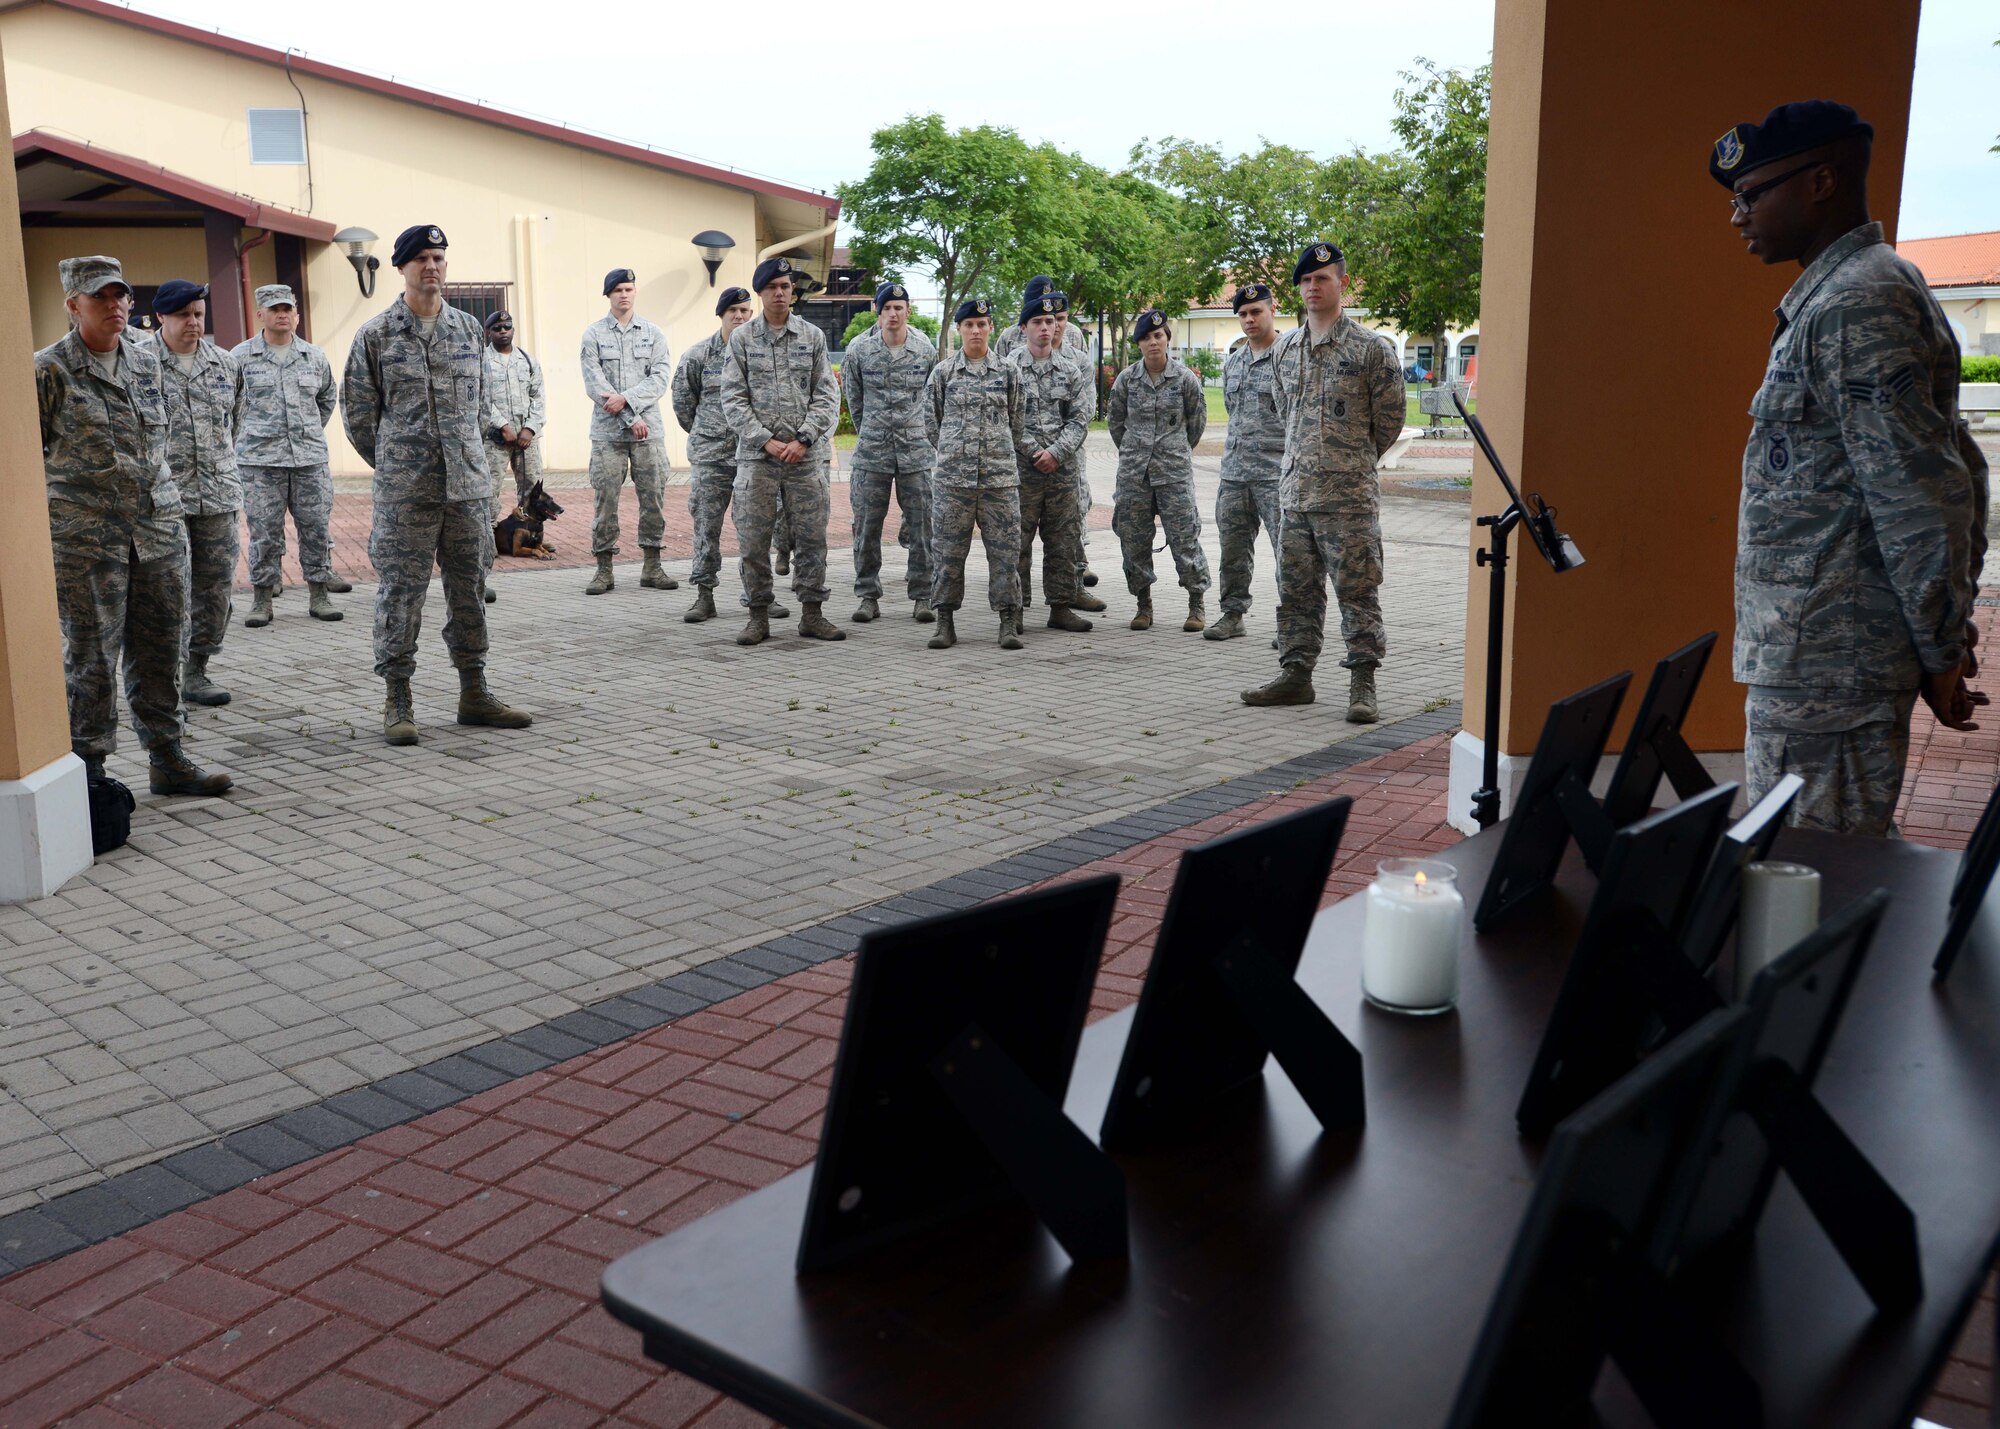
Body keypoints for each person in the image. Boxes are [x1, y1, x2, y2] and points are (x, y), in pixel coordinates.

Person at [1715, 100, 1987, 834]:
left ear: (1821, 181)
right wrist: (1945, 631)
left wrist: (1940, 646)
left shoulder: (1857, 302)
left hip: (1832, 668)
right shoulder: (1848, 293)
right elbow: (1960, 462)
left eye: (1751, 195)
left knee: (1808, 886)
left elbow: (1919, 493)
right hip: (1820, 661)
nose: (1738, 215)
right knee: (1818, 874)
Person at [35, 256, 231, 795]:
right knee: (92, 657)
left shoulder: (149, 363)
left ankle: (167, 757)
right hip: (87, 541)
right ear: (73, 304)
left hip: (158, 535)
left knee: (163, 648)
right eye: (101, 297)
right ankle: (90, 771)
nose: (115, 306)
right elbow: (23, 459)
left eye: (121, 296)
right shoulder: (47, 370)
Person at [342, 224, 531, 745]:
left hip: (468, 490)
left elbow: (478, 407)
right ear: (402, 267)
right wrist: (397, 464)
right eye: (422, 258)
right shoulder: (376, 335)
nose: (432, 266)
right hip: (407, 494)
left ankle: (474, 690)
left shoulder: (470, 331)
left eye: (439, 258)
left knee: (469, 591)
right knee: (401, 594)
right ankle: (398, 699)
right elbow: (359, 415)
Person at [1241, 242, 1402, 720]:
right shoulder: (1285, 349)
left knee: (1358, 591)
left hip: (1349, 498)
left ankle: (1362, 682)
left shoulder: (1372, 350)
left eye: (1323, 278)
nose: (1313, 287)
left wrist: (1349, 460)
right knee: (1295, 592)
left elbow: (1389, 421)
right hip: (1294, 495)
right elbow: (1283, 410)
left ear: (1343, 284)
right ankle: (1295, 675)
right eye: (1306, 281)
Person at [720, 256, 843, 646]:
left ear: (792, 292)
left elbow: (827, 394)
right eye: (772, 287)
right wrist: (765, 440)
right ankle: (758, 616)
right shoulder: (742, 339)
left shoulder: (812, 336)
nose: (779, 293)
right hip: (758, 459)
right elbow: (733, 398)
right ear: (760, 293)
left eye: (785, 287)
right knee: (754, 539)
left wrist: (804, 438)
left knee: (811, 537)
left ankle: (812, 613)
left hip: (804, 458)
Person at [149, 280, 243, 707]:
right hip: (161, 501)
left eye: (199, 314)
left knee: (215, 587)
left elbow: (233, 424)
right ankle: (158, 674)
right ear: (160, 318)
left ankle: (198, 670)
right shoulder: (139, 363)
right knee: (166, 589)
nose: (193, 322)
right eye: (184, 315)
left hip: (218, 496)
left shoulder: (225, 364)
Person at [231, 283, 345, 626]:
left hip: (309, 461)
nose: (282, 314)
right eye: (274, 309)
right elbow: (230, 406)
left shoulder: (314, 356)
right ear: (260, 315)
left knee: (315, 529)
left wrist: (305, 432)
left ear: (295, 314)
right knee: (264, 532)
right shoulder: (239, 358)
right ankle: (263, 599)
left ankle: (319, 595)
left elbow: (326, 399)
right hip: (259, 464)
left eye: (287, 309)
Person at [673, 286, 787, 622]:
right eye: (733, 311)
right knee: (706, 527)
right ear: (721, 315)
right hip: (711, 456)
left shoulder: (760, 352)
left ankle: (759, 596)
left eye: (745, 311)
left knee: (755, 528)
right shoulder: (698, 355)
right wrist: (708, 433)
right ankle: (703, 595)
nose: (739, 317)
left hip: (752, 455)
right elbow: (683, 404)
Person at [923, 298, 1027, 650]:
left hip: (1000, 481)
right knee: (948, 554)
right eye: (969, 325)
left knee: (1005, 555)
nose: (976, 331)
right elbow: (930, 423)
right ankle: (945, 621)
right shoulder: (943, 373)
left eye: (982, 325)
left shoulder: (1009, 372)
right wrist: (955, 454)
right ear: (959, 329)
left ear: (991, 328)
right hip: (954, 482)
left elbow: (1017, 420)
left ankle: (1008, 621)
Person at [1108, 308, 1211, 633]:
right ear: (1139, 344)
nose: (1153, 342)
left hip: (1174, 474)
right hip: (1134, 476)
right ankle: (1143, 605)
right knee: (1134, 540)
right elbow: (1115, 423)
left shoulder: (1184, 379)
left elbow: (1196, 423)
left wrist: (1174, 450)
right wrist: (1134, 451)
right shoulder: (1127, 380)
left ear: (1167, 339)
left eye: (1158, 336)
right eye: (1146, 338)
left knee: (1185, 540)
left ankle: (1196, 603)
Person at [842, 280, 937, 624]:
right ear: (877, 312)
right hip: (872, 454)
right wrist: (872, 430)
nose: (893, 314)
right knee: (866, 527)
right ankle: (868, 595)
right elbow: (855, 401)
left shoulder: (925, 348)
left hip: (917, 453)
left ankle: (923, 595)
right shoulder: (859, 350)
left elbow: (931, 399)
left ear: (908, 311)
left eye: (899, 308)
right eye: (887, 308)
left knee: (923, 526)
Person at [580, 268, 677, 595]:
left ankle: (652, 567)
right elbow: (595, 385)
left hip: (647, 432)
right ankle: (603, 570)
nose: (624, 294)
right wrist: (629, 417)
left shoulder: (653, 334)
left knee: (653, 497)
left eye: (629, 289)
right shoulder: (593, 335)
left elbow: (661, 379)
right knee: (605, 500)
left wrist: (627, 401)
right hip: (609, 436)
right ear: (608, 295)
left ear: (635, 293)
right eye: (618, 289)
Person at [1007, 289, 1093, 633]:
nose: (1046, 327)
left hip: (1062, 471)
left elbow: (1081, 418)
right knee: (1018, 541)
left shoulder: (1070, 370)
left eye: (1051, 321)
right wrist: (1033, 451)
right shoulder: (1009, 368)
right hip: (1022, 471)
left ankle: (1060, 607)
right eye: (1038, 322)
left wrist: (1056, 452)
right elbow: (1006, 418)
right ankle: (1015, 609)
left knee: (1062, 540)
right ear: (1023, 327)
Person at [1206, 282, 1286, 642]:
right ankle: (1232, 614)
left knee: (1290, 552)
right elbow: (1232, 411)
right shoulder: (1234, 362)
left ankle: (1294, 623)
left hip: (1277, 474)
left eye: (1256, 312)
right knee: (1233, 549)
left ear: (1273, 310)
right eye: (1242, 314)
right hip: (1235, 473)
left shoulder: (1290, 356)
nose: (1249, 319)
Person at [481, 311, 545, 500]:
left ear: (513, 330)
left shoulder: (528, 361)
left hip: (526, 440)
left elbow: (538, 397)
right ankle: (489, 530)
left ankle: (530, 530)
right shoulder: (481, 361)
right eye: (497, 328)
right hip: (494, 440)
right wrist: (502, 425)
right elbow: (479, 398)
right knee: (488, 492)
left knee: (533, 493)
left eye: (507, 327)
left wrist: (530, 428)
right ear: (488, 332)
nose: (503, 331)